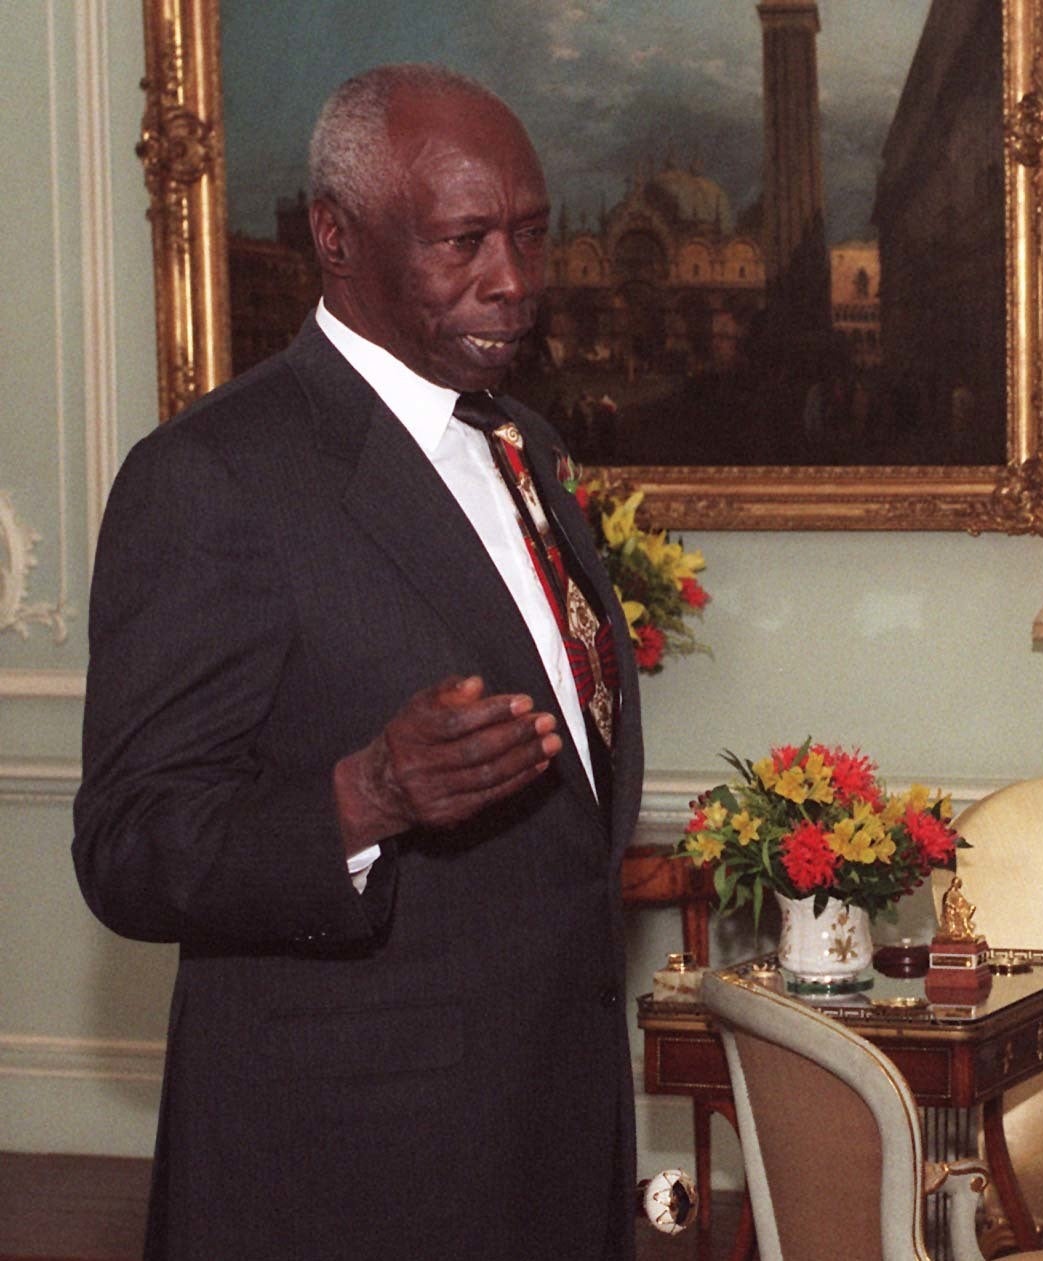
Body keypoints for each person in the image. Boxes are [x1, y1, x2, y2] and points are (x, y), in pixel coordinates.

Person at [72, 64, 642, 1260]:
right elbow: (129, 846)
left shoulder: (523, 445)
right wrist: (366, 797)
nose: (514, 282)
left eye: (531, 237)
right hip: (343, 1178)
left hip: (547, 1142)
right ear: (336, 238)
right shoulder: (213, 476)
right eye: (464, 242)